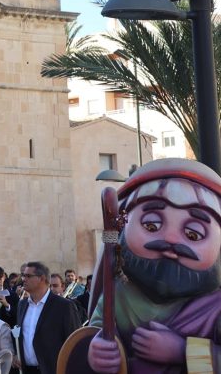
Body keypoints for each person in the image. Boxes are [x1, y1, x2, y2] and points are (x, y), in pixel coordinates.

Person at [87, 158, 221, 373]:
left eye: (193, 234)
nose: (170, 239)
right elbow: (93, 332)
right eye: (152, 225)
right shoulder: (117, 296)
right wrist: (97, 351)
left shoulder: (216, 308)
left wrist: (183, 351)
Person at [15, 261, 78, 374]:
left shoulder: (64, 306)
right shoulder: (22, 305)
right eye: (23, 275)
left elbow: (74, 342)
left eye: (28, 276)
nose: (24, 279)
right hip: (26, 370)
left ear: (42, 278)